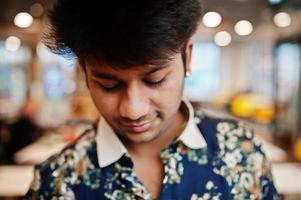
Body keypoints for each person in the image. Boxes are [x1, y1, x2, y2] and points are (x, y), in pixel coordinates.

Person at [26, 0, 279, 199]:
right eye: (109, 85)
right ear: (83, 70)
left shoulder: (241, 153)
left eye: (155, 80)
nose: (133, 110)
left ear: (187, 58)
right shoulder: (58, 181)